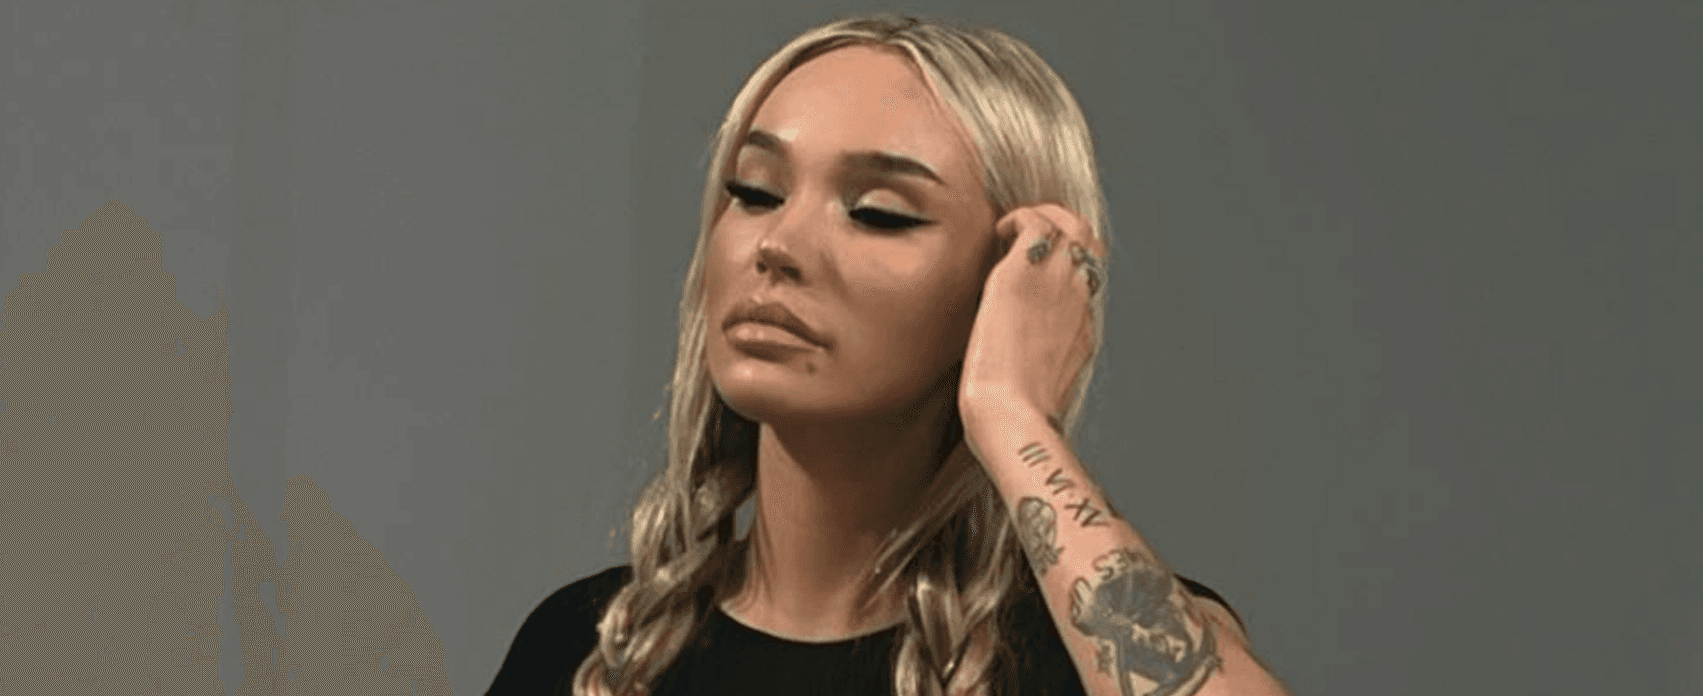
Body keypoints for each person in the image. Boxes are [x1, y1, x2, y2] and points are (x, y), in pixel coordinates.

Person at [488, 14, 1289, 696]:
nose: (777, 244)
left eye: (878, 213)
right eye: (755, 192)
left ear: (1007, 282)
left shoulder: (1087, 649)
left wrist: (1014, 417)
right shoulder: (589, 647)